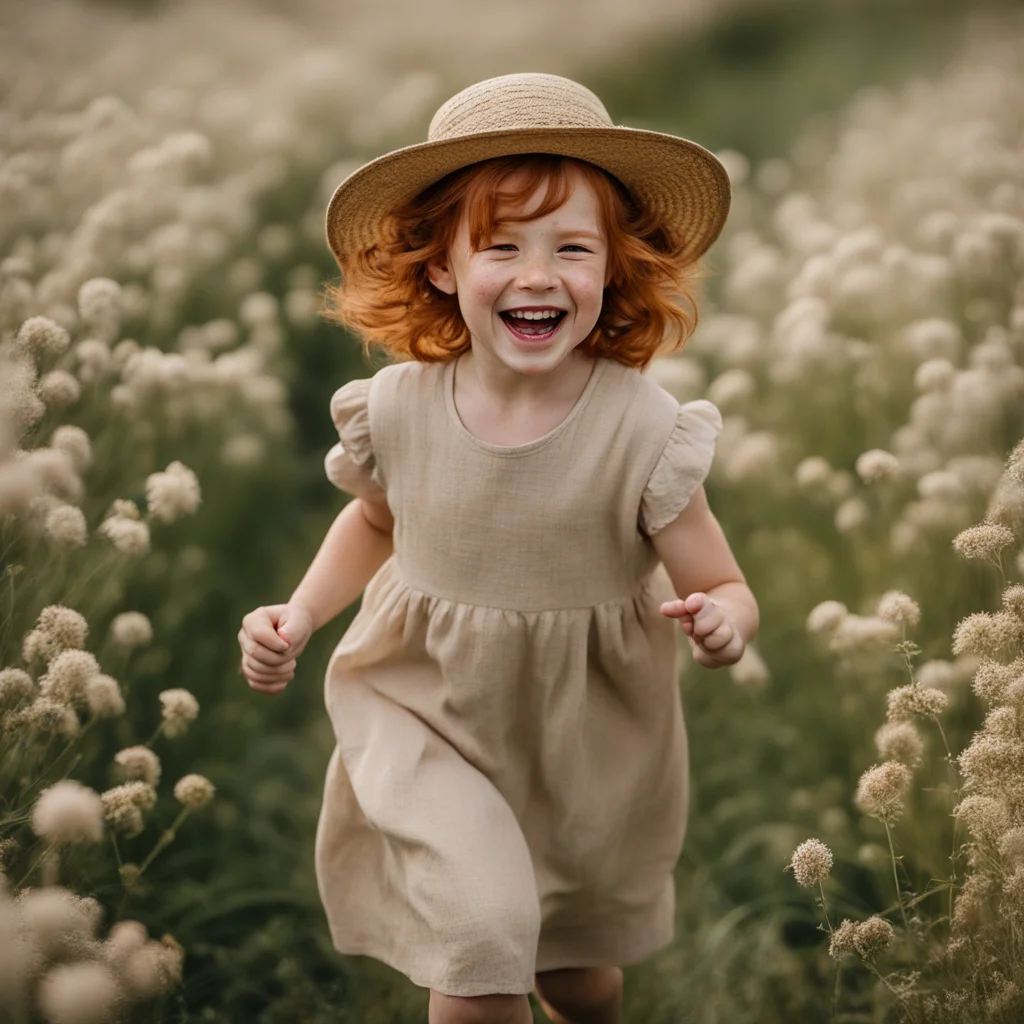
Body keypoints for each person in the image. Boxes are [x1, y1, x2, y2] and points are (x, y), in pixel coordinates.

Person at [238, 73, 759, 1024]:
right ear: (440, 265)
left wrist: (724, 616)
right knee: (480, 945)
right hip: (424, 706)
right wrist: (302, 612)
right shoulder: (396, 408)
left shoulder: (643, 429)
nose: (537, 274)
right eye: (502, 246)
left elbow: (719, 576)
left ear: (613, 268)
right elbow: (376, 521)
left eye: (572, 247)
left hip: (584, 748)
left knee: (574, 973)